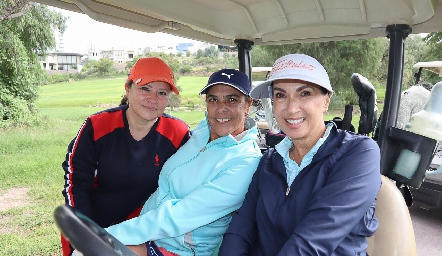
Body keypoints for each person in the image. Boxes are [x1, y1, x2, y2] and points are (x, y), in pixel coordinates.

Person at [219, 54, 382, 255]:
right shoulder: (270, 160)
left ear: (326, 101)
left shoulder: (358, 153)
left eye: (304, 93)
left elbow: (312, 244)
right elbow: (241, 228)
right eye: (280, 95)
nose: (291, 108)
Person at [101, 68, 262, 256]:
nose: (221, 108)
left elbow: (178, 216)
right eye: (213, 99)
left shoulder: (246, 162)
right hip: (151, 231)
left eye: (232, 99)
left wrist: (107, 235)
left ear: (248, 104)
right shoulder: (202, 131)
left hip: (180, 249)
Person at [61, 57, 190, 256]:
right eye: (145, 88)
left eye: (162, 92)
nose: (153, 98)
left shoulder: (178, 133)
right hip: (91, 222)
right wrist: (86, 237)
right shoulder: (97, 126)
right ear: (128, 90)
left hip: (142, 231)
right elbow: (75, 183)